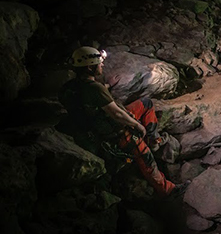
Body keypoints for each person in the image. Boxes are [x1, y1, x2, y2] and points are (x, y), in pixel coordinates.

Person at [58, 46, 183, 196]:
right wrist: (137, 125)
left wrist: (108, 86)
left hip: (93, 125)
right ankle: (168, 190)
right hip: (114, 132)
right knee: (146, 158)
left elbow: (89, 97)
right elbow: (116, 114)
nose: (102, 65)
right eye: (99, 63)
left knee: (146, 103)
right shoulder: (95, 88)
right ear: (90, 67)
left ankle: (153, 140)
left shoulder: (69, 87)